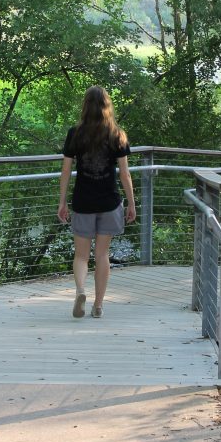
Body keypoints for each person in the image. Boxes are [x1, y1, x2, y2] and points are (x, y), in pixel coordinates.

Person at [58, 86, 136, 319]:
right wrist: (131, 203)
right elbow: (125, 174)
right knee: (102, 254)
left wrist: (62, 202)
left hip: (83, 201)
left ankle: (81, 290)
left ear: (85, 106)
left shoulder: (76, 134)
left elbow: (65, 170)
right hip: (110, 203)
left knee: (81, 256)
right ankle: (98, 306)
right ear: (107, 106)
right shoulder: (117, 135)